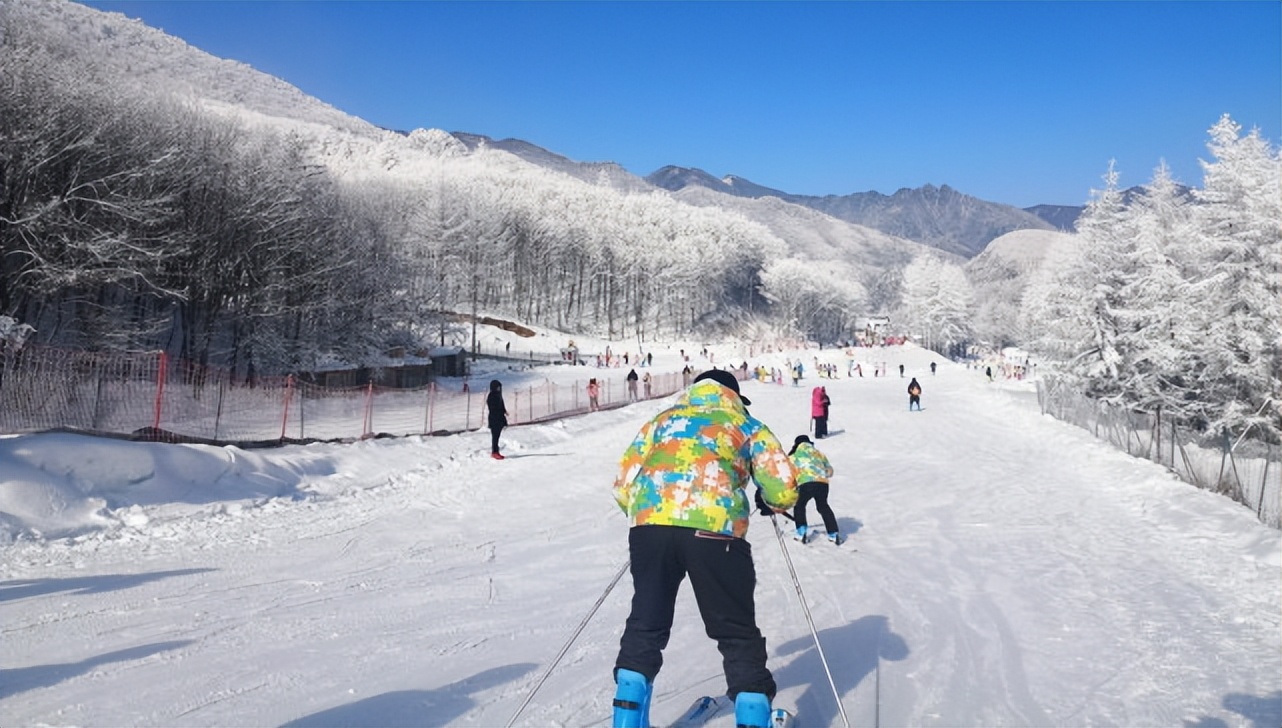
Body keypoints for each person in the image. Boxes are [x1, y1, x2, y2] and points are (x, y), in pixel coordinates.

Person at [611, 369, 798, 728]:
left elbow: (623, 484)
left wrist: (652, 514)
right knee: (734, 629)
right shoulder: (746, 423)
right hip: (716, 531)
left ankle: (626, 721)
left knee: (646, 623)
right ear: (734, 396)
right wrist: (771, 499)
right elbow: (784, 487)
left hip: (651, 528)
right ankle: (753, 717)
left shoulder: (661, 421)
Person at [788, 435, 842, 544]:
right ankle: (833, 533)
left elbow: (789, 474)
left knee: (799, 505)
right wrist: (820, 475)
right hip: (823, 483)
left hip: (805, 483)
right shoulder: (819, 454)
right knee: (823, 506)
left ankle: (801, 532)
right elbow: (830, 471)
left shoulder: (794, 456)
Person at [485, 379, 507, 459]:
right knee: (495, 436)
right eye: (497, 387)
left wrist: (504, 411)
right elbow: (493, 407)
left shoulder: (498, 395)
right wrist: (498, 412)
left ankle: (496, 451)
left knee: (497, 435)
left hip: (499, 417)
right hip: (494, 418)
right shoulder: (492, 396)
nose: (499, 389)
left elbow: (501, 404)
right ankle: (494, 452)